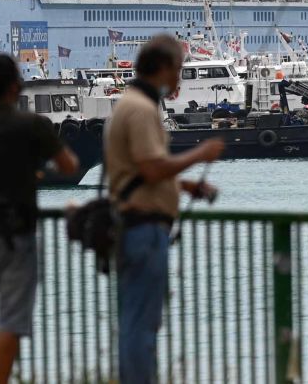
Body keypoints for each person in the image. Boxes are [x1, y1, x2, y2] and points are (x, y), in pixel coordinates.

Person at [0, 54, 78, 384]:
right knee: (10, 320)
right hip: (17, 234)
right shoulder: (31, 125)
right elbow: (68, 166)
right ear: (14, 86)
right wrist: (33, 171)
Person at [105, 35, 225, 384]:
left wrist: (186, 187)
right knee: (141, 326)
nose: (180, 78)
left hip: (133, 226)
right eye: (179, 70)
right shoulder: (142, 110)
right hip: (143, 229)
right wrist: (200, 155)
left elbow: (138, 171)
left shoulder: (128, 104)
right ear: (162, 67)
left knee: (135, 321)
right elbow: (152, 168)